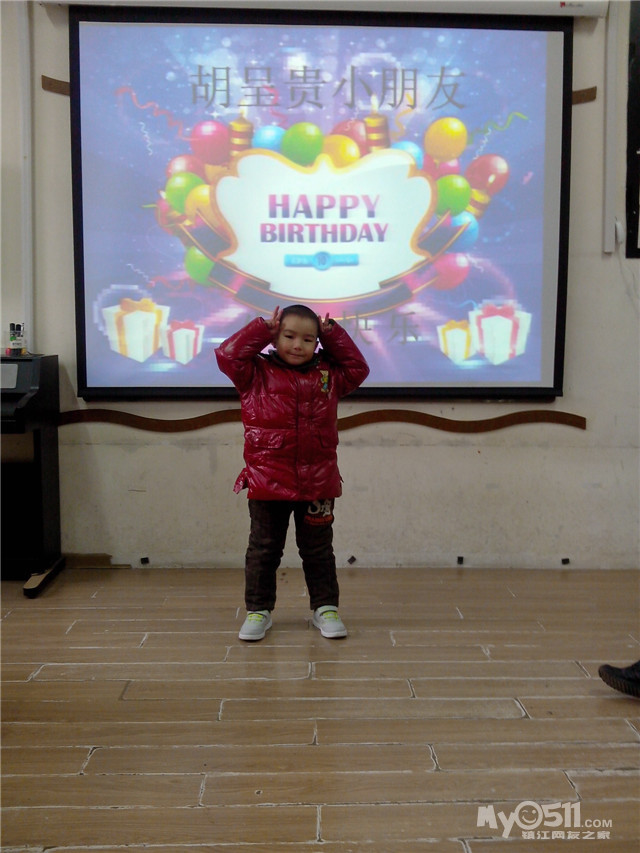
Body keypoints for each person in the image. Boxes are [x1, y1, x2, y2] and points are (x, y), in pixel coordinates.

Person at [215, 304, 370, 641]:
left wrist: (333, 334)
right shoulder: (254, 373)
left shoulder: (329, 375)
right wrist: (260, 328)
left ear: (317, 343)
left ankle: (325, 608)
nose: (297, 345)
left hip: (318, 483)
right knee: (264, 549)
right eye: (288, 336)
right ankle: (258, 610)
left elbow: (358, 368)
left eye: (308, 339)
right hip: (267, 481)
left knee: (318, 551)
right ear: (275, 337)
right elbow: (228, 356)